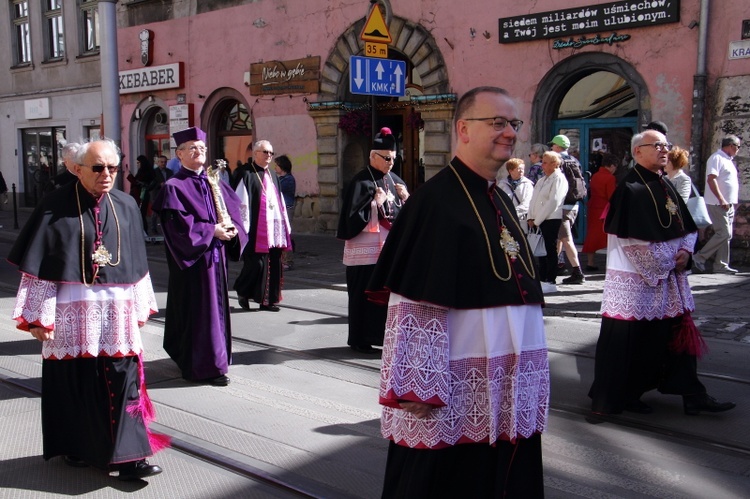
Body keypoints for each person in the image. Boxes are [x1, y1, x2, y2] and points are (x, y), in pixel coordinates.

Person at [368, 86, 548, 498]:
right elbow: (413, 301)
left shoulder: (498, 196)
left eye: (513, 123)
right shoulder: (435, 201)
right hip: (456, 386)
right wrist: (418, 382)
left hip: (508, 381)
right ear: (463, 129)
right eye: (497, 122)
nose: (509, 132)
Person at [8, 137, 167, 480]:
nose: (107, 174)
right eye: (98, 168)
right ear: (78, 169)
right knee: (77, 383)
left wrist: (140, 306)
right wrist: (38, 318)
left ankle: (131, 458)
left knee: (124, 380)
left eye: (113, 167)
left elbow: (138, 264)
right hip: (69, 314)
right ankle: (78, 448)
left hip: (116, 314)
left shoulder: (125, 205)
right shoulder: (54, 205)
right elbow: (41, 265)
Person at [588, 130, 735, 416]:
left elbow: (686, 226)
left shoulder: (665, 183)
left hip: (667, 280)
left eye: (666, 145)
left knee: (676, 336)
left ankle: (693, 394)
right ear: (637, 152)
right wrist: (669, 262)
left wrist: (686, 252)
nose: (664, 150)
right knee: (634, 342)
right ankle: (622, 396)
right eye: (656, 145)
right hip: (637, 283)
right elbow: (632, 241)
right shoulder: (629, 188)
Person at [152, 127, 247, 387]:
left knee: (215, 310)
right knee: (200, 312)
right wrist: (211, 231)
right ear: (179, 154)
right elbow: (178, 228)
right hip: (194, 260)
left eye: (202, 148)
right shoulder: (173, 187)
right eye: (192, 148)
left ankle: (216, 360)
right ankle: (203, 367)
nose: (199, 152)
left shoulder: (212, 180)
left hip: (215, 257)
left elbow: (234, 212)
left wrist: (232, 230)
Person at [337, 128, 409, 354]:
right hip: (364, 252)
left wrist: (406, 198)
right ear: (373, 156)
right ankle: (359, 339)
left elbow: (405, 217)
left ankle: (381, 337)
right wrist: (374, 203)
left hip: (387, 251)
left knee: (385, 297)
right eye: (387, 158)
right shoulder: (360, 181)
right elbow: (352, 218)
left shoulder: (396, 181)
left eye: (394, 159)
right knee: (361, 295)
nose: (391, 163)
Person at [232, 140, 292, 312]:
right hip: (254, 229)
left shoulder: (273, 175)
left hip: (274, 229)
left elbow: (279, 201)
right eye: (265, 152)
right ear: (255, 153)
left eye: (271, 153)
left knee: (273, 263)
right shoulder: (245, 173)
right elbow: (239, 201)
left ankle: (267, 301)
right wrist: (241, 227)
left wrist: (285, 225)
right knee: (256, 265)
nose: (269, 156)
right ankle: (242, 290)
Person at [692, 135, 741, 274]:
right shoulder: (716, 158)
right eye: (738, 147)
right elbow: (711, 179)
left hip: (728, 204)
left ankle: (721, 265)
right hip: (718, 203)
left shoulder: (728, 160)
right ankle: (699, 257)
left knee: (726, 235)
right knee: (724, 233)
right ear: (731, 146)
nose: (738, 150)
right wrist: (721, 199)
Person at [528, 151, 568, 294]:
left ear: (554, 164)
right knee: (540, 251)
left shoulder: (559, 179)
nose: (542, 165)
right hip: (538, 219)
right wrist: (530, 217)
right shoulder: (542, 179)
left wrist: (537, 220)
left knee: (550, 250)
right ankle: (541, 277)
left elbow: (553, 201)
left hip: (550, 218)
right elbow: (534, 199)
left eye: (545, 162)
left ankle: (550, 279)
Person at [550, 134, 587, 284]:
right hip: (574, 204)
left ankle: (578, 272)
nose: (551, 147)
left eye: (553, 145)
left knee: (566, 238)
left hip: (562, 205)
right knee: (560, 237)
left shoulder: (557, 161)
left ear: (558, 147)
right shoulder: (575, 160)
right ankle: (554, 266)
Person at [581, 153, 618, 270]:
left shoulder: (595, 175)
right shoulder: (610, 178)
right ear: (611, 165)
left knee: (592, 235)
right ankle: (611, 263)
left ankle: (590, 263)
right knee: (610, 236)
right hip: (604, 209)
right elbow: (611, 196)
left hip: (593, 207)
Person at [498, 157, 533, 231]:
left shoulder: (528, 184)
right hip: (505, 221)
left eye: (523, 169)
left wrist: (512, 214)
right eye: (518, 169)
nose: (521, 171)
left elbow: (527, 203)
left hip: (521, 220)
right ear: (510, 170)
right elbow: (499, 201)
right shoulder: (502, 184)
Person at [274, 154, 297, 270]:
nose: (275, 168)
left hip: (287, 208)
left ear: (282, 166)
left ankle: (288, 260)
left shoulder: (288, 179)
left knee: (286, 234)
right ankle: (283, 259)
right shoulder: (280, 179)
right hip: (281, 208)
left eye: (277, 165)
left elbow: (276, 190)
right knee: (281, 234)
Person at [148, 154, 173, 234]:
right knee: (155, 213)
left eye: (165, 162)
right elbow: (150, 185)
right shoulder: (154, 172)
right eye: (161, 162)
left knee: (167, 213)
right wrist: (159, 184)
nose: (163, 163)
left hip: (167, 195)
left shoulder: (169, 172)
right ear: (158, 163)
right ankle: (153, 229)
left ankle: (167, 229)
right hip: (156, 194)